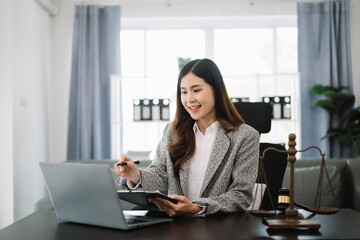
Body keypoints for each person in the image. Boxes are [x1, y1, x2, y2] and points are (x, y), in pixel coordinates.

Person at [114, 58, 259, 217]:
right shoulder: (172, 132)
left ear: (216, 90)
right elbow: (160, 175)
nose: (189, 99)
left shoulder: (245, 136)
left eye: (196, 90)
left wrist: (197, 208)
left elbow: (241, 194)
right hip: (174, 227)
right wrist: (136, 176)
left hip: (217, 227)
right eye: (184, 92)